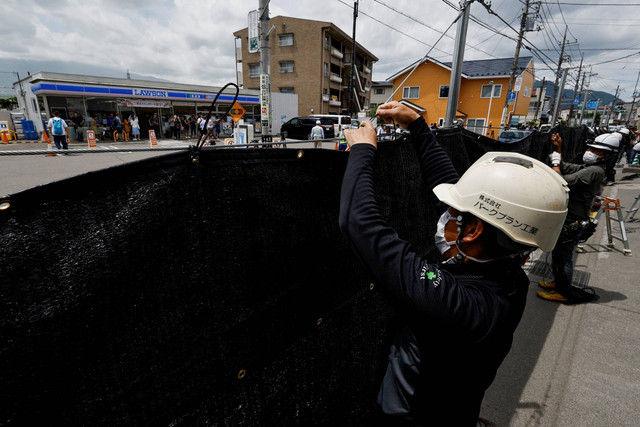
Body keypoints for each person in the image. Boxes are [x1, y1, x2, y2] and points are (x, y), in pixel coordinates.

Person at [339, 101, 569, 425]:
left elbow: (360, 224)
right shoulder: (507, 278)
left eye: (452, 212)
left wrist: (362, 151)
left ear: (473, 230)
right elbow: (450, 188)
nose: (443, 212)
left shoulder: (454, 304)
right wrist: (417, 126)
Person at [537, 132, 620, 304]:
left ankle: (563, 291)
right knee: (558, 253)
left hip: (573, 218)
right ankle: (557, 283)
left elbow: (562, 181)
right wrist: (558, 148)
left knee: (564, 255)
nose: (589, 151)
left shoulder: (595, 171)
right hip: (571, 216)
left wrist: (554, 164)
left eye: (596, 150)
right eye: (590, 147)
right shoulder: (588, 168)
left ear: (606, 155)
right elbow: (565, 166)